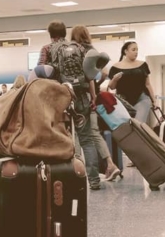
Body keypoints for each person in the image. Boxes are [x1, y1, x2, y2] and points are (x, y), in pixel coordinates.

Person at [70, 25, 123, 181]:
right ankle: (110, 164)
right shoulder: (93, 51)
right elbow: (103, 74)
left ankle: (77, 170)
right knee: (94, 133)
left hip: (78, 96)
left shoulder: (74, 52)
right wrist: (96, 90)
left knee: (77, 136)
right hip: (90, 96)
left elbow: (88, 78)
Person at [109, 41, 156, 125]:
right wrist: (115, 79)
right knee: (126, 126)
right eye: (133, 50)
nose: (136, 52)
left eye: (137, 50)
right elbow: (112, 87)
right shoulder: (116, 67)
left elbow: (147, 84)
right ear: (126, 51)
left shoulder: (143, 65)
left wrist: (154, 101)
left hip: (142, 98)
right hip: (123, 100)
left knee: (138, 124)